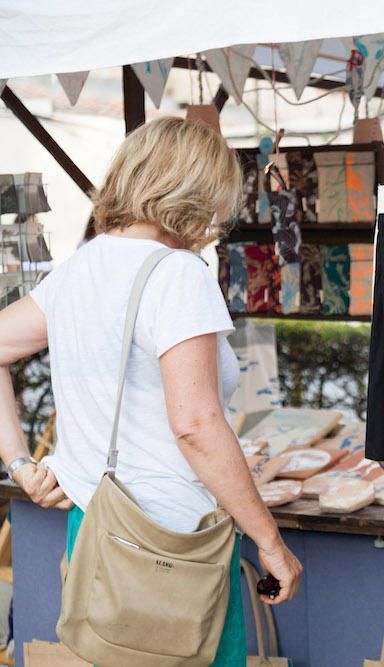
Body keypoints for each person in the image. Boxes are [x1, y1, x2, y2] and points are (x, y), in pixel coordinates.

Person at [0, 117, 302, 666]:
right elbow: (196, 425)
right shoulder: (176, 274)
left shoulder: (79, 269)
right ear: (196, 191)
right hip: (173, 542)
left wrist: (21, 463)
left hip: (94, 530)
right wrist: (270, 540)